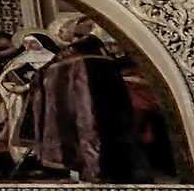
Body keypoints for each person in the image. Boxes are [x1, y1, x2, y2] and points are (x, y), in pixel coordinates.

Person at [24, 20, 148, 182]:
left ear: (74, 32)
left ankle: (91, 169)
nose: (59, 34)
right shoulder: (99, 49)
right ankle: (116, 170)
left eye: (63, 30)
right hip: (106, 98)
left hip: (79, 99)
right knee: (105, 128)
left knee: (87, 127)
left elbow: (43, 73)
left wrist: (35, 80)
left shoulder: (71, 51)